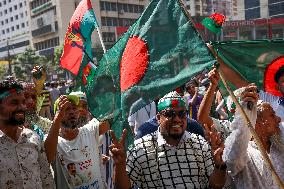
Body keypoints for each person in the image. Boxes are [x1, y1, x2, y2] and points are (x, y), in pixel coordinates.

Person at [110, 91, 226, 189]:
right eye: (170, 114)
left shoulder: (200, 144)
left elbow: (216, 185)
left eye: (181, 114)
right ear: (158, 118)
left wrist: (219, 165)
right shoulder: (141, 148)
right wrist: (120, 165)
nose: (176, 119)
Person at [222, 86, 284, 188]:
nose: (278, 119)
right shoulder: (244, 154)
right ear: (257, 123)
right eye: (272, 115)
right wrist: (244, 114)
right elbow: (231, 161)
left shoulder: (279, 144)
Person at [45, 95, 110, 189]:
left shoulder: (90, 131)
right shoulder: (53, 140)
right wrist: (58, 117)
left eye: (74, 108)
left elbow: (112, 117)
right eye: (66, 109)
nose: (71, 112)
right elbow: (48, 156)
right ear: (57, 115)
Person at [0, 80, 54, 189]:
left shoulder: (33, 138)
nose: (22, 107)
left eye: (23, 102)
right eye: (14, 103)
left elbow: (46, 179)